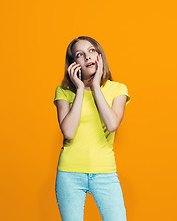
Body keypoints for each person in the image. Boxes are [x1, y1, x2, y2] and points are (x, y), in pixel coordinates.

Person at [53, 36, 131, 221]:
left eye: (91, 51)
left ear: (99, 55)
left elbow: (112, 124)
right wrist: (80, 90)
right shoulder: (64, 91)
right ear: (74, 64)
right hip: (70, 172)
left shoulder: (117, 89)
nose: (87, 57)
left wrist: (95, 86)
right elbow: (68, 132)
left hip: (104, 172)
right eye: (80, 54)